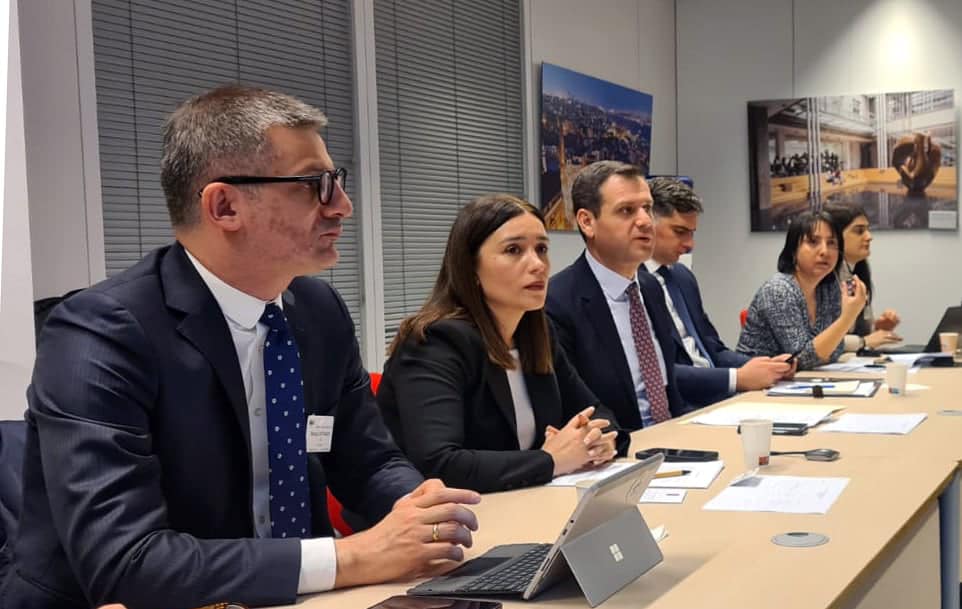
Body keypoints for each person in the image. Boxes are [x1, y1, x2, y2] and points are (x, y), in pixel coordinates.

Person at [3, 86, 481, 609]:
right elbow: (126, 562)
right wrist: (353, 557)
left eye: (337, 181)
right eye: (315, 185)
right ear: (225, 205)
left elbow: (367, 461)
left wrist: (421, 510)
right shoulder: (100, 332)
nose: (342, 206)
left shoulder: (318, 310)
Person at [378, 194, 626, 494]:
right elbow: (439, 464)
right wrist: (552, 460)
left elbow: (595, 411)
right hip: (437, 513)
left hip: (520, 500)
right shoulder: (436, 342)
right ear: (471, 267)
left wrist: (598, 441)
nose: (538, 264)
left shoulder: (536, 332)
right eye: (513, 250)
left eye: (541, 249)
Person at [546, 161, 689, 431]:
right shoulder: (557, 303)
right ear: (587, 222)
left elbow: (669, 386)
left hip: (673, 436)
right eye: (626, 210)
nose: (645, 221)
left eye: (647, 208)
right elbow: (575, 408)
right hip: (617, 445)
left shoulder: (650, 287)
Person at [644, 178, 792, 408]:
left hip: (717, 398)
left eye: (692, 233)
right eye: (680, 232)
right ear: (647, 224)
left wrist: (766, 367)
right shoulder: (632, 285)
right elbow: (657, 372)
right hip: (682, 405)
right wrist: (736, 378)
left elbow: (712, 348)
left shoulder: (682, 277)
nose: (690, 244)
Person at [737, 211, 867, 370]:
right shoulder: (778, 290)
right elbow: (801, 360)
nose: (825, 251)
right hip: (758, 381)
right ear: (793, 250)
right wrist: (847, 317)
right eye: (813, 242)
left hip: (801, 380)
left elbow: (835, 351)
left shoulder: (829, 287)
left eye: (831, 243)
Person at [824, 205, 901, 351]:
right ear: (834, 238)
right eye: (859, 231)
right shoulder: (822, 278)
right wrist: (863, 341)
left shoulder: (856, 274)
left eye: (867, 229)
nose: (869, 237)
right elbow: (820, 341)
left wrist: (877, 328)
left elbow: (855, 333)